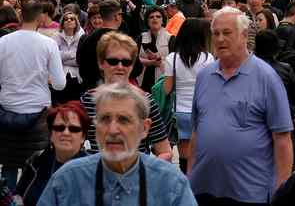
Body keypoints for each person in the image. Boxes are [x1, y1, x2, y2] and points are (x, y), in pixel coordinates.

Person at [188, 6, 294, 204]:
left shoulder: (267, 77)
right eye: (216, 33)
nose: (220, 39)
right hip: (203, 189)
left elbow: (282, 138)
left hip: (249, 192)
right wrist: (190, 176)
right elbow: (196, 132)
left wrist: (281, 190)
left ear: (245, 35)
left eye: (227, 33)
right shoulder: (203, 76)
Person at [37, 83, 196, 206]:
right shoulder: (68, 180)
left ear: (144, 128)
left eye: (124, 120)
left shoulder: (171, 184)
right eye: (105, 119)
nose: (113, 130)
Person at [0, 0, 66, 191]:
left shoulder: (2, 42)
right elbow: (60, 84)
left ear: (21, 16)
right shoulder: (48, 44)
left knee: (9, 164)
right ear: (39, 18)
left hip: (7, 109)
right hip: (38, 110)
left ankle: (8, 199)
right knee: (38, 164)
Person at [80, 32, 172, 161]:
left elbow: (165, 151)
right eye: (113, 61)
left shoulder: (145, 101)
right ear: (101, 63)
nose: (120, 67)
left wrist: (145, 171)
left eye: (126, 62)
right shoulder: (88, 101)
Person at [162, 18, 214, 174]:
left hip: (180, 111)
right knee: (197, 152)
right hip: (200, 110)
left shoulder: (172, 58)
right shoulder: (208, 58)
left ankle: (185, 180)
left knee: (183, 153)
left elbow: (167, 89)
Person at [15, 102, 90, 206]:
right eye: (59, 128)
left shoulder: (92, 171)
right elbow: (18, 197)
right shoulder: (36, 162)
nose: (66, 133)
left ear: (83, 137)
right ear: (51, 134)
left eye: (74, 129)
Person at [52, 11, 85, 105]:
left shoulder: (81, 37)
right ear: (62, 23)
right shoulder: (56, 36)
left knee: (74, 104)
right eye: (66, 19)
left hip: (77, 77)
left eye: (72, 19)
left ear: (76, 23)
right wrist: (71, 55)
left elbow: (80, 58)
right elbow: (53, 56)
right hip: (60, 75)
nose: (69, 20)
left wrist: (62, 57)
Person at [138, 7, 171, 91]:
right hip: (144, 80)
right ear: (147, 21)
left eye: (158, 16)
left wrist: (160, 59)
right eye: (151, 17)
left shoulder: (170, 38)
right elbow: (135, 59)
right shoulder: (141, 37)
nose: (155, 18)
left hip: (162, 81)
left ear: (163, 20)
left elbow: (174, 62)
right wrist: (150, 62)